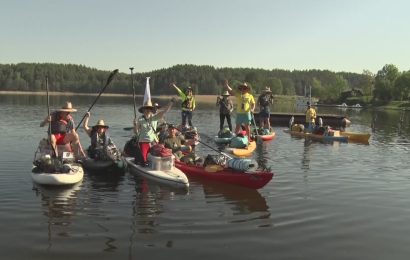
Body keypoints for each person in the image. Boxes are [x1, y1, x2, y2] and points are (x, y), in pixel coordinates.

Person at [133, 98, 176, 166]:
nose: (147, 110)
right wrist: (135, 125)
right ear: (143, 110)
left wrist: (171, 102)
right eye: (145, 108)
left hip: (154, 142)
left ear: (151, 110)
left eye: (148, 108)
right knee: (144, 161)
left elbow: (165, 111)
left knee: (161, 155)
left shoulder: (155, 117)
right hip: (143, 142)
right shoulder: (140, 119)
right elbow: (136, 132)